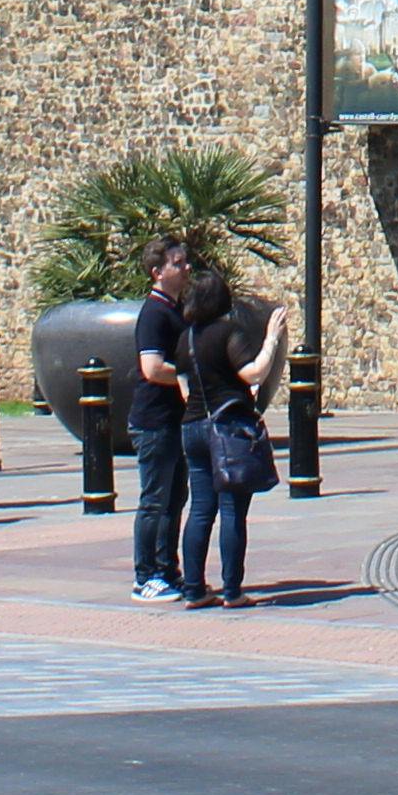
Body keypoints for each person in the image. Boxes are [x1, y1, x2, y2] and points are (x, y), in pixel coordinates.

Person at [176, 261, 287, 606]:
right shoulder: (228, 332)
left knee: (200, 509)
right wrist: (271, 339)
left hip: (193, 426)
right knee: (232, 510)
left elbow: (183, 385)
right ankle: (232, 590)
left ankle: (193, 588)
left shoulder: (186, 338)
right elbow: (252, 373)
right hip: (226, 429)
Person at [125, 239, 200, 603]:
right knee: (154, 500)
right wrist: (187, 374)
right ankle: (145, 576)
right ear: (158, 272)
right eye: (177, 263)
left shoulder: (177, 309)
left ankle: (167, 570)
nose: (185, 268)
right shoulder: (154, 314)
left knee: (174, 500)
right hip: (154, 421)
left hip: (175, 420)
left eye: (185, 262)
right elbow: (152, 368)